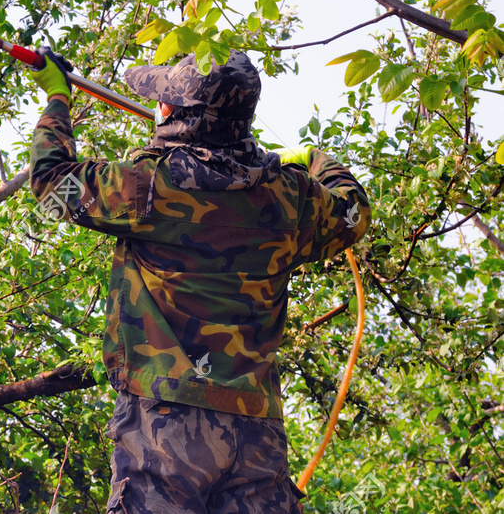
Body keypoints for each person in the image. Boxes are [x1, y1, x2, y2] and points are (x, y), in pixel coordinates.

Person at [28, 47, 371, 514]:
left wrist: (56, 98)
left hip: (165, 426)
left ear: (167, 111)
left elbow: (51, 191)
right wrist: (313, 159)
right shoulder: (292, 197)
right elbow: (353, 209)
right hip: (257, 434)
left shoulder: (148, 183)